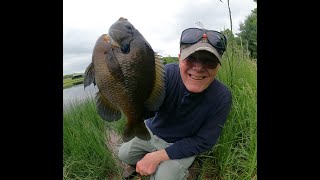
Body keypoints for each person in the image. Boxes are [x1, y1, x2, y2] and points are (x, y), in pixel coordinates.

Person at [118, 27, 232, 180]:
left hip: (183, 143)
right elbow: (147, 111)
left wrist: (157, 157)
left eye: (209, 61)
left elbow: (204, 141)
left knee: (163, 178)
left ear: (218, 66)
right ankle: (149, 162)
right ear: (179, 58)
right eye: (191, 58)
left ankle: (179, 168)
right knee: (123, 154)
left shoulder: (222, 97)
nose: (198, 68)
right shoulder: (166, 74)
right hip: (152, 132)